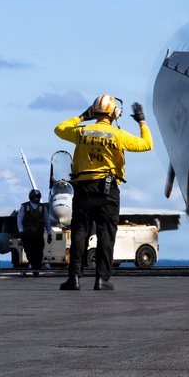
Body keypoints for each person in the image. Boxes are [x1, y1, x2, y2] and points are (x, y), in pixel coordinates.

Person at [54, 95, 152, 291]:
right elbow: (146, 144)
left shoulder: (82, 132)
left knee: (80, 232)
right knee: (106, 233)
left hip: (83, 188)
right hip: (107, 189)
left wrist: (82, 117)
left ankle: (74, 278)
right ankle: (101, 279)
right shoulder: (118, 135)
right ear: (114, 113)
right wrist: (142, 122)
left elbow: (59, 129)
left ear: (95, 112)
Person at [17, 189, 49, 277]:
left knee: (39, 252)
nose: (36, 199)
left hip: (38, 234)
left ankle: (36, 269)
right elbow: (19, 219)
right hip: (28, 234)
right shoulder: (24, 206)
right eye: (35, 197)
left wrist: (49, 232)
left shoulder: (42, 207)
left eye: (37, 197)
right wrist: (21, 231)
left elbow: (47, 220)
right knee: (29, 252)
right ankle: (34, 266)